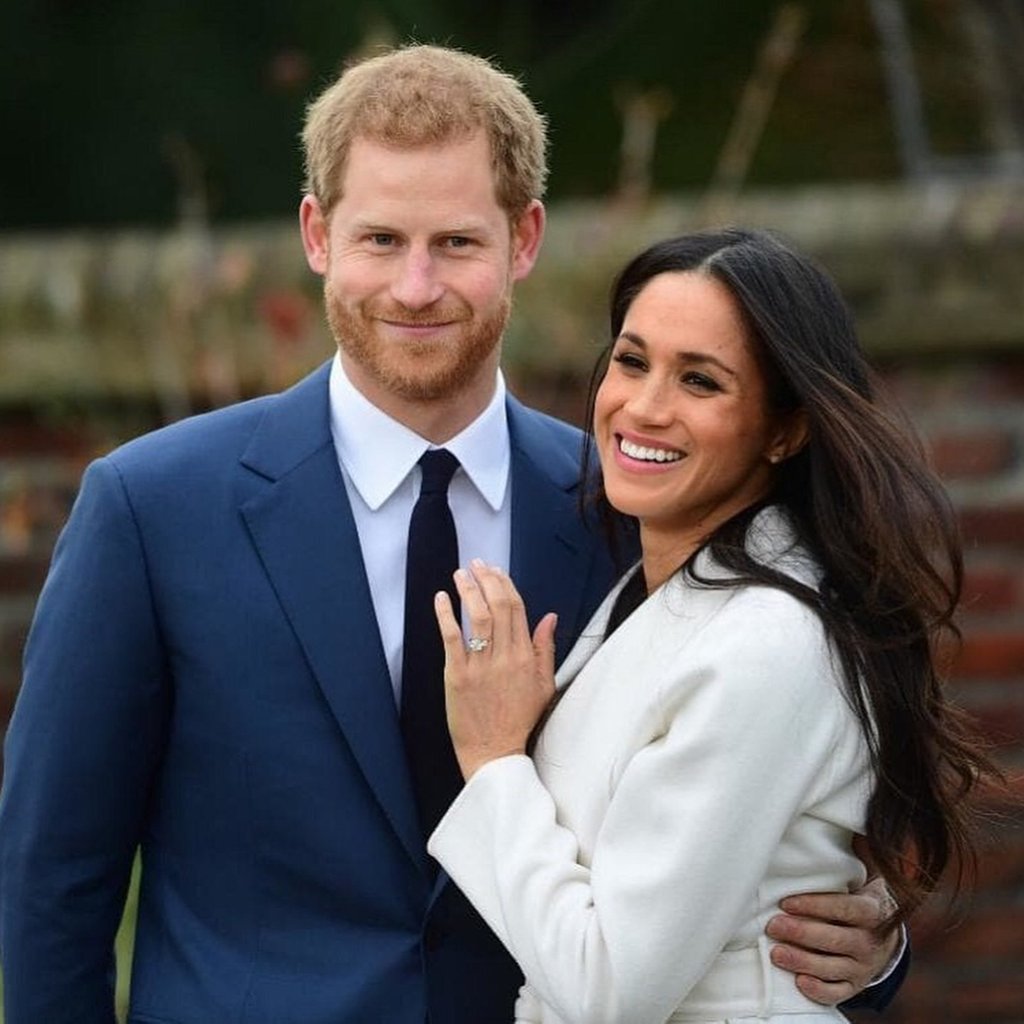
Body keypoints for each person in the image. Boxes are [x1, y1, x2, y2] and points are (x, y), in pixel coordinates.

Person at [0, 49, 901, 1023]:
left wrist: (873, 949)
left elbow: (731, 828)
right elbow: (52, 875)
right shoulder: (151, 508)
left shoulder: (632, 510)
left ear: (524, 239)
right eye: (380, 239)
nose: (416, 287)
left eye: (456, 244)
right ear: (316, 234)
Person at [428, 227, 993, 1023]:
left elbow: (611, 989)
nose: (645, 407)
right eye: (632, 361)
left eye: (701, 381)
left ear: (785, 429)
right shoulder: (646, 579)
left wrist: (492, 764)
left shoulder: (765, 642)